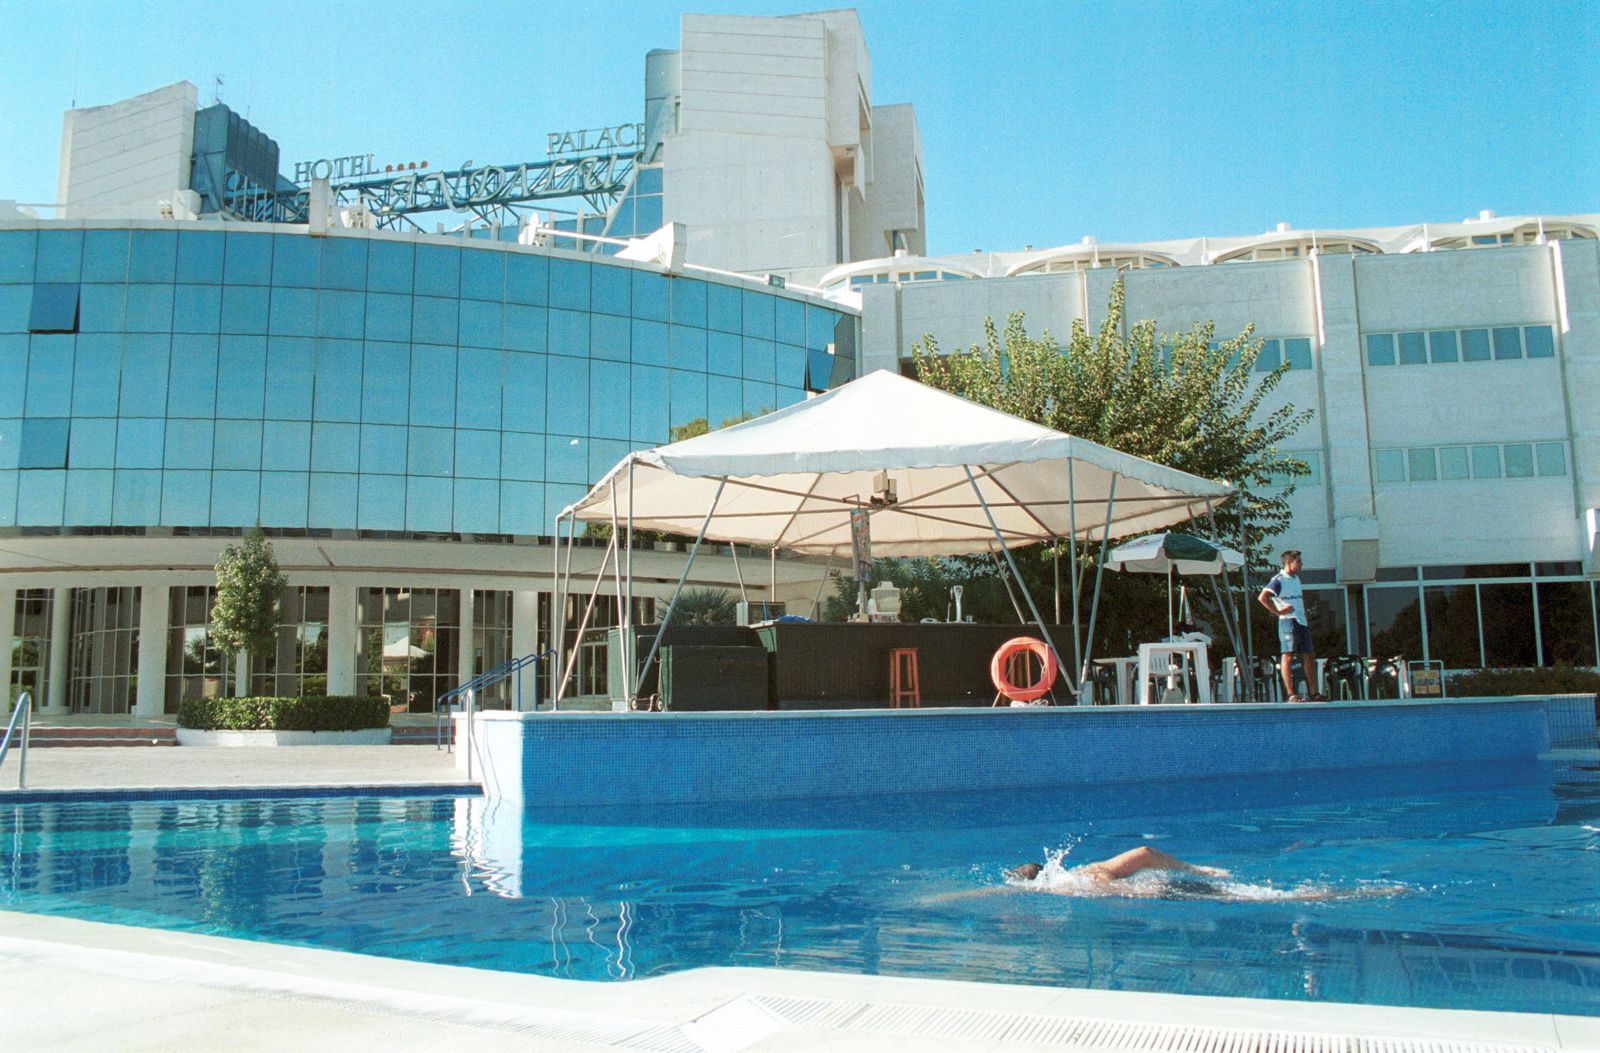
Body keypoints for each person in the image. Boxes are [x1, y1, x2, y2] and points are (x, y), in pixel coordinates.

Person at [1001, 846, 1406, 903]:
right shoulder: (1084, 873)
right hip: (1170, 887)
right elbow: (1142, 852)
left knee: (1268, 898)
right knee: (1259, 894)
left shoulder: (1069, 888)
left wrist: (1197, 870)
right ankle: (1350, 891)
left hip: (1169, 894)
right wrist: (1195, 869)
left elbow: (1142, 853)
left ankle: (1347, 893)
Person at [1258, 549, 1324, 702]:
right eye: (1298, 562)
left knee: (1308, 654)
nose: (1301, 565)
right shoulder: (1279, 580)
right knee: (1288, 655)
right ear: (1289, 562)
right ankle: (1290, 694)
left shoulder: (1296, 579)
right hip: (1288, 621)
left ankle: (1314, 692)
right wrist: (1277, 611)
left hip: (1301, 621)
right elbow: (1263, 597)